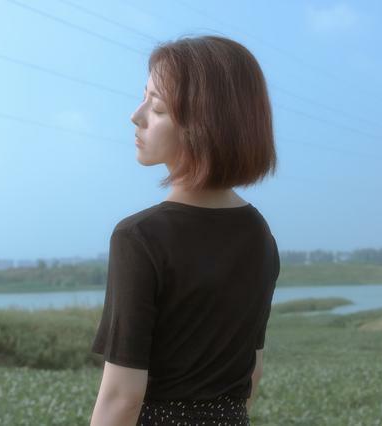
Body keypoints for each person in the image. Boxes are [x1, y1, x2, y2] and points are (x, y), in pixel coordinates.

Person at [89, 34, 280, 426]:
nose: (137, 115)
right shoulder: (260, 234)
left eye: (157, 107)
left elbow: (122, 396)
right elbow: (253, 372)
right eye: (143, 98)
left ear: (202, 127)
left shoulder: (139, 238)